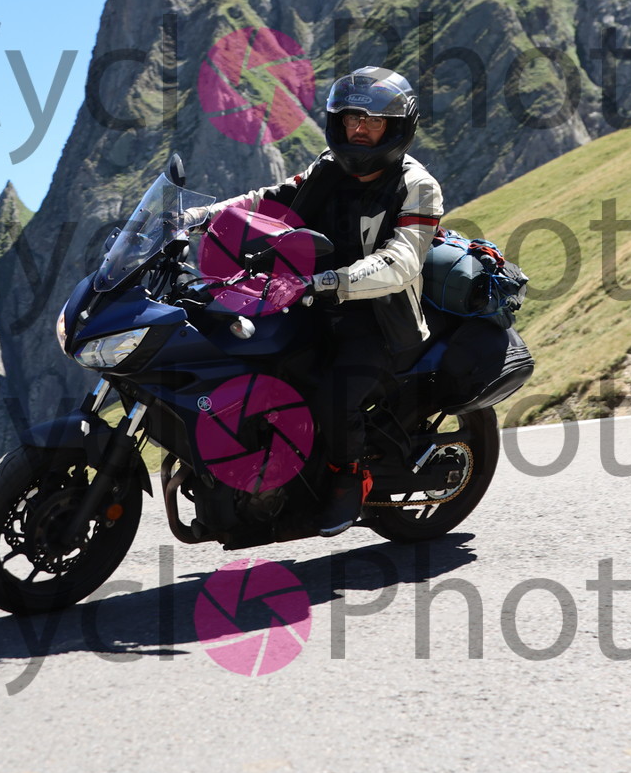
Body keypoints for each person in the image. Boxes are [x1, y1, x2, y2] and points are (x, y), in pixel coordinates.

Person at [184, 67, 445, 536]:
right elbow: (269, 199)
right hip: (307, 297)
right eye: (351, 119)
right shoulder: (329, 167)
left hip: (378, 319)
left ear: (396, 128)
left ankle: (348, 476)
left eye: (373, 121)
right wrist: (203, 216)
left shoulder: (417, 186)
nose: (359, 129)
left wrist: (326, 281)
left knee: (334, 394)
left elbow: (401, 262)